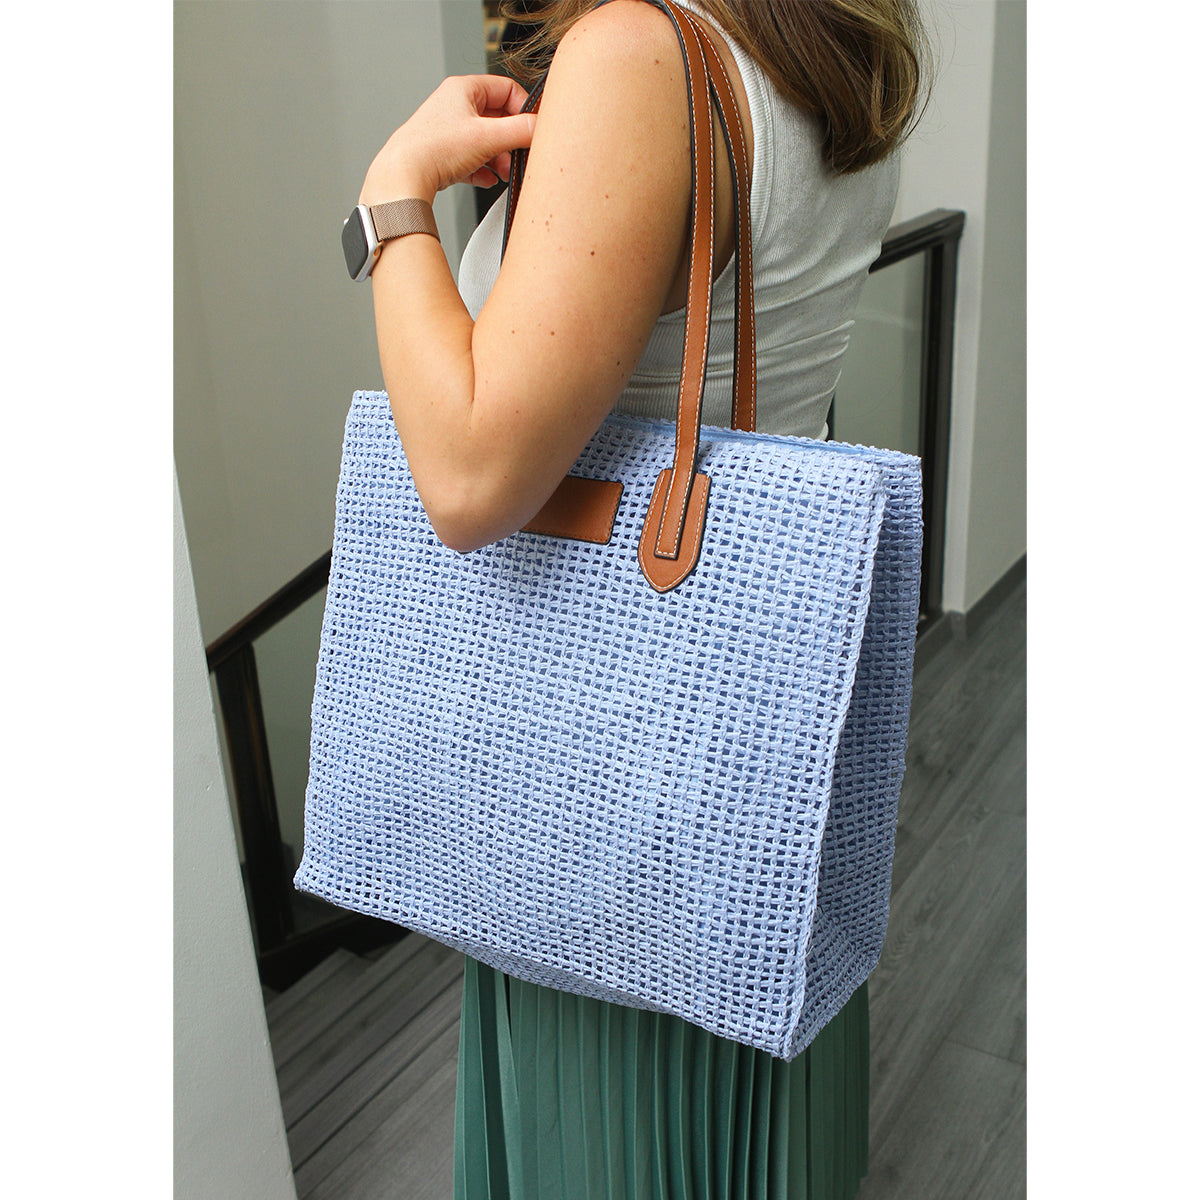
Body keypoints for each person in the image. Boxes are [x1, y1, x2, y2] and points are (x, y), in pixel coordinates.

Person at [352, 1, 928, 1195]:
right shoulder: (831, 44)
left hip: (601, 822)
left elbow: (467, 479)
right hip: (735, 780)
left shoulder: (638, 55)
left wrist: (391, 197)